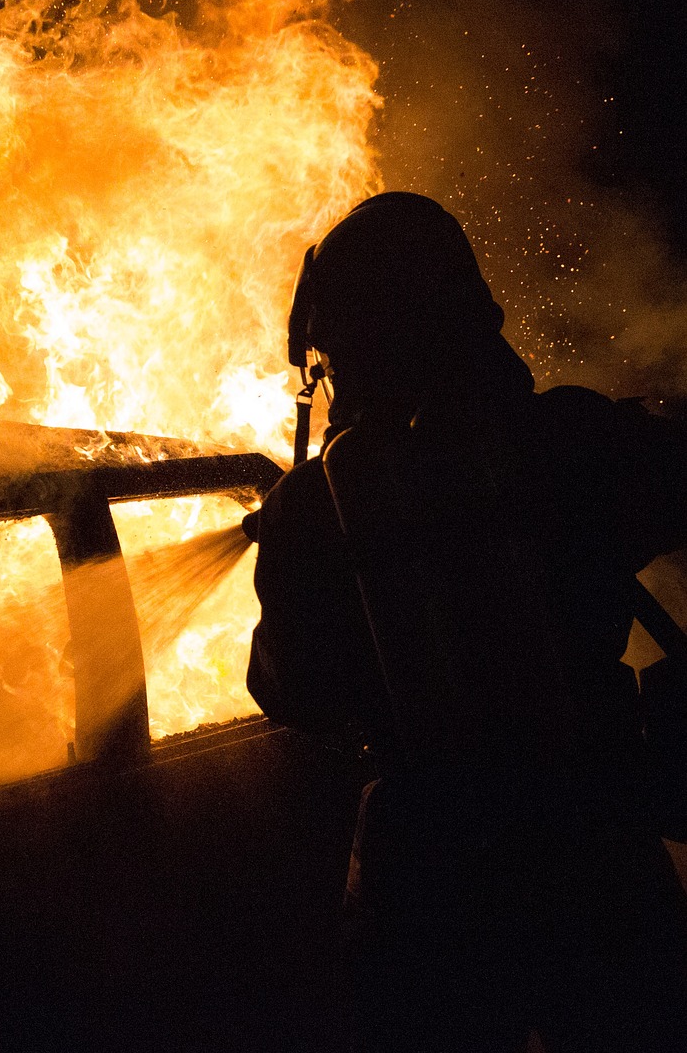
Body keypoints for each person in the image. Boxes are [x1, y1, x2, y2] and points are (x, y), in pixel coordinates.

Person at [246, 192, 687, 1052]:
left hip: (427, 863)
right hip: (594, 829)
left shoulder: (312, 505)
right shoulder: (571, 437)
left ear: (337, 345)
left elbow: (287, 690)